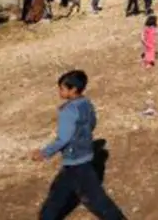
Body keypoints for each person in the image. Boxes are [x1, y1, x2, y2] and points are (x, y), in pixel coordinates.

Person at [31, 70, 125, 219]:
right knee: (59, 195)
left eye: (62, 88)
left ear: (73, 90)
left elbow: (63, 139)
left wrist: (44, 153)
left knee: (94, 200)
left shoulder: (68, 111)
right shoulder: (86, 103)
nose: (59, 91)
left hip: (75, 162)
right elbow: (92, 123)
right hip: (85, 156)